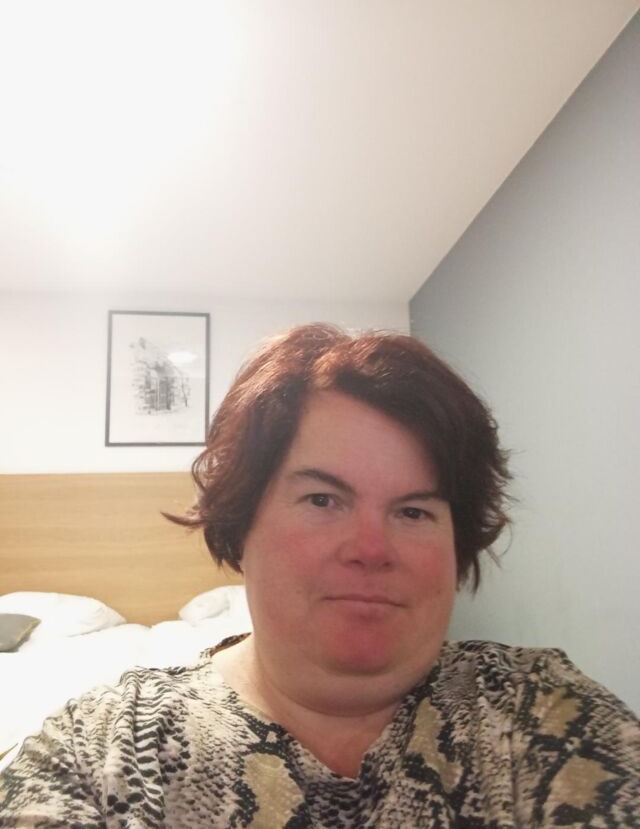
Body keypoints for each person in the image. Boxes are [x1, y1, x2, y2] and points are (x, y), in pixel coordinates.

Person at [1, 323, 638, 826]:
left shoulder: (543, 713)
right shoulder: (98, 753)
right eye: (322, 499)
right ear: (242, 524)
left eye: (414, 511)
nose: (371, 549)